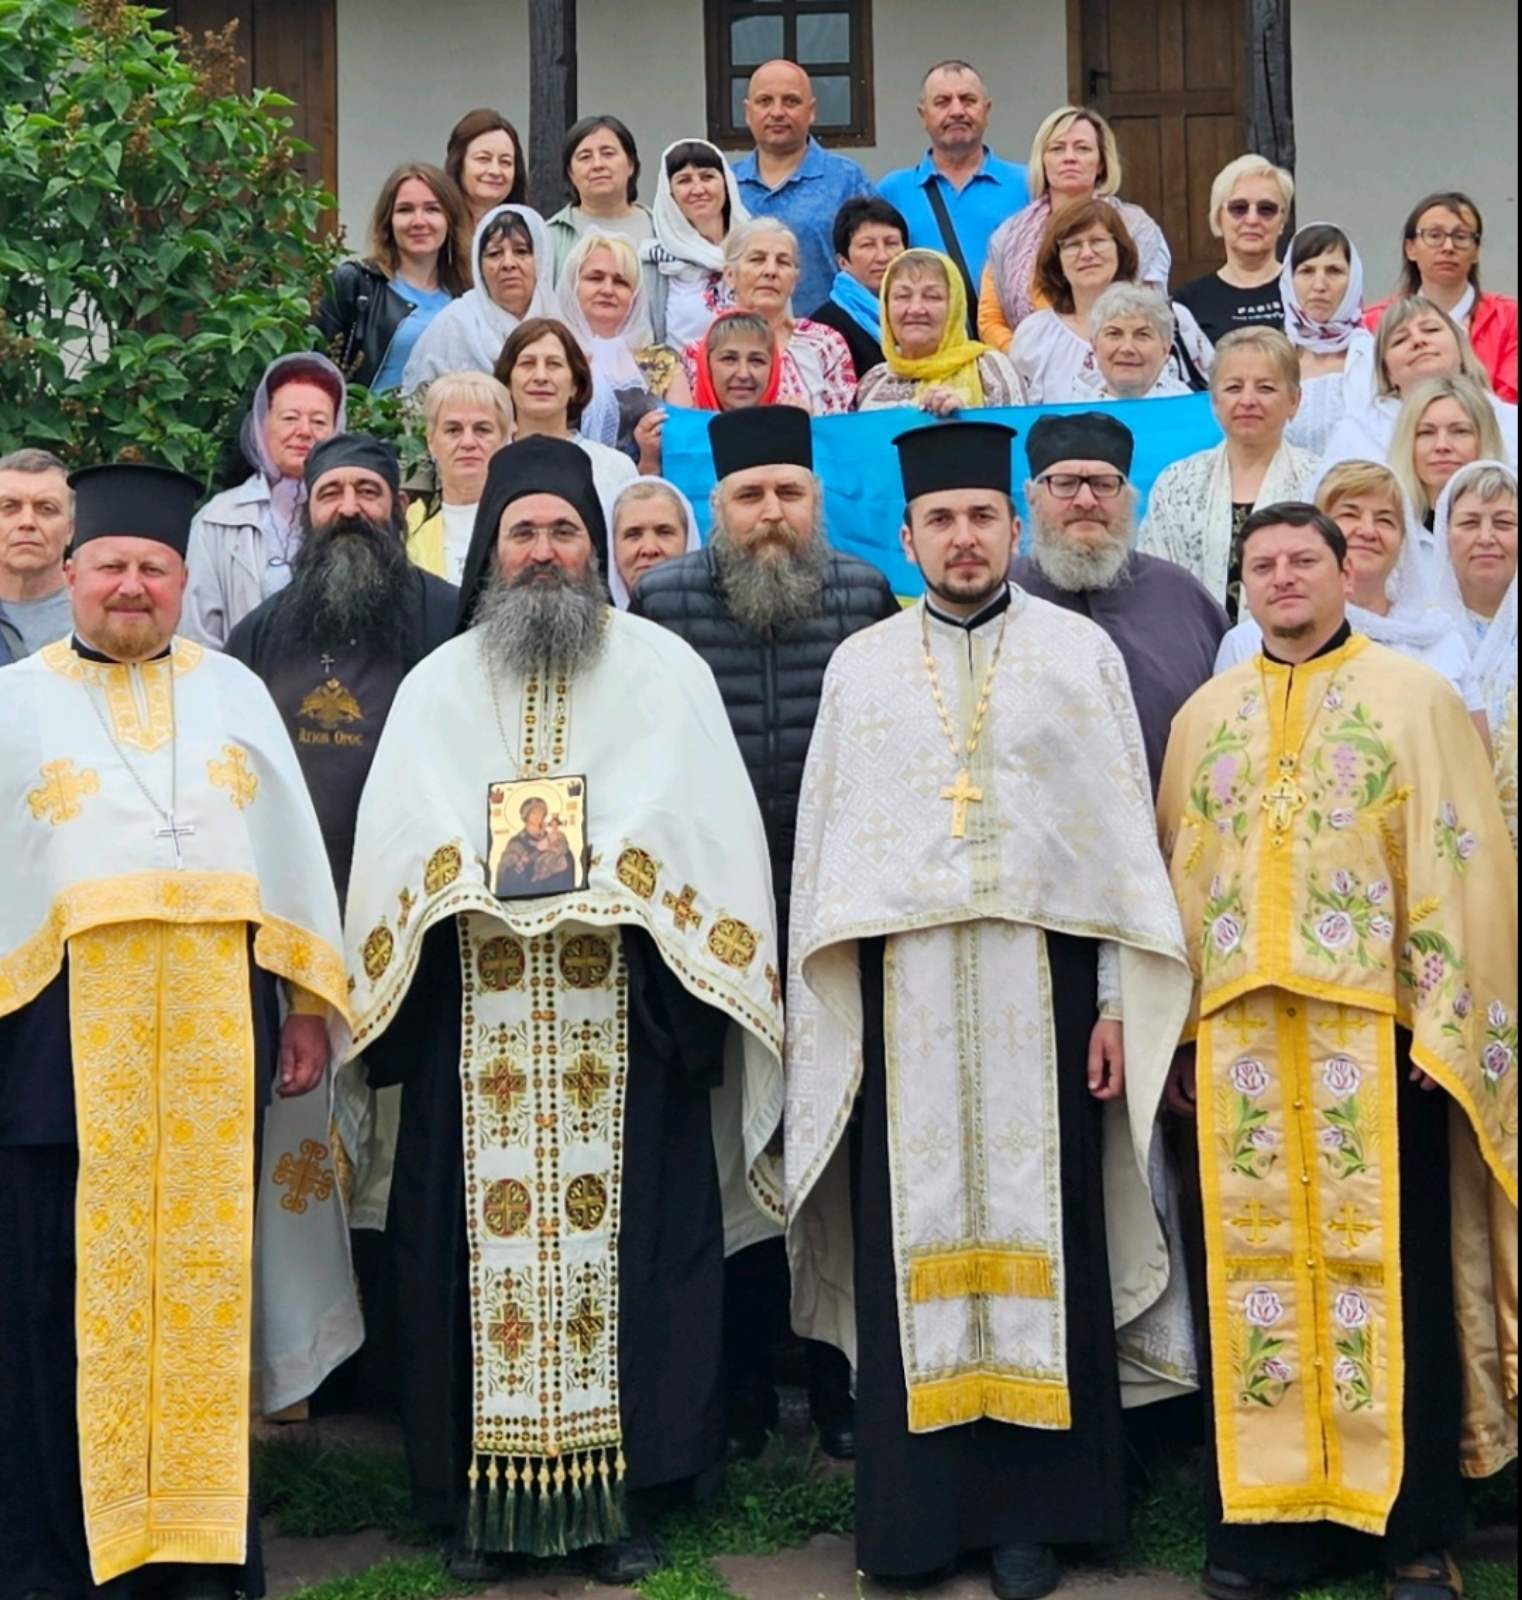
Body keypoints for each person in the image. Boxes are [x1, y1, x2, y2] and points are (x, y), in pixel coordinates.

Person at [338, 435, 784, 1584]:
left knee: (637, 1263)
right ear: (491, 551)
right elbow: (400, 842)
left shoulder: (664, 671)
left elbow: (702, 831)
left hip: (627, 1019)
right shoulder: (439, 685)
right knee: (459, 1263)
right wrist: (465, 881)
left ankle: (622, 1497)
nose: (544, 552)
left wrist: (610, 879)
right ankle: (479, 1503)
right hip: (471, 1025)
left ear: (596, 550)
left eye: (565, 532)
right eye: (524, 532)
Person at [786, 419, 1196, 1598]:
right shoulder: (862, 667)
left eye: (980, 518)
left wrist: (1115, 997)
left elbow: (1119, 850)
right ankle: (916, 1518)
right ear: (909, 537)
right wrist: (838, 1010)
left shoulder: (1077, 656)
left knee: (1049, 1227)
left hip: (1046, 991)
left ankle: (1036, 1517)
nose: (961, 538)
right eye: (940, 521)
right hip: (903, 998)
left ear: (1014, 528)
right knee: (908, 1234)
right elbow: (826, 856)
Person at [0, 462, 359, 1600]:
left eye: (153, 568)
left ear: (180, 581)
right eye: (110, 565)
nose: (131, 586)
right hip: (52, 1054)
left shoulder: (232, 694)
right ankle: (60, 1559)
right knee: (54, 1295)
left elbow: (289, 860)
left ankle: (201, 1558)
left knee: (206, 1294)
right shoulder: (15, 703)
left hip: (217, 1036)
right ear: (71, 575)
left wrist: (308, 1007)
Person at [1156, 500, 1517, 1600]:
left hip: (1378, 1039)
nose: (1282, 578)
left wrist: (1442, 1020)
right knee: (1253, 1283)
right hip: (1241, 1049)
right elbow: (1177, 880)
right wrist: (1180, 1030)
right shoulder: (1203, 717)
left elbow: (1466, 860)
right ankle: (1269, 1532)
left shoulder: (1415, 700)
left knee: (1391, 1280)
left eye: (1302, 559)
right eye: (1262, 564)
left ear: (1343, 569)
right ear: (1243, 585)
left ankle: (1410, 1533)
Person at [629, 409, 897, 1459]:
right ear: (718, 509)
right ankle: (735, 1386)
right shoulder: (663, 602)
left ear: (815, 504)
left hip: (835, 913)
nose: (771, 514)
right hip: (711, 924)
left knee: (837, 1147)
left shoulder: (863, 594)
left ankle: (838, 1379)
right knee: (723, 1153)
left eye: (789, 494)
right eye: (750, 496)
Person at [225, 432, 458, 900]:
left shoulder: (452, 619)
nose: (349, 509)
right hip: (297, 889)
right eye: (330, 493)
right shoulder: (256, 636)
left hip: (423, 884)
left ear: (400, 506)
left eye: (368, 491)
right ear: (306, 512)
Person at [1009, 412, 1227, 788]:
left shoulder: (1182, 596)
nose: (1086, 500)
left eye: (1104, 484)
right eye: (1064, 484)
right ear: (1032, 496)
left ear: (1129, 497)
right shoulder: (1001, 598)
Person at [1213, 460, 1472, 691]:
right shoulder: (1248, 642)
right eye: (1349, 514)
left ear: (1404, 540)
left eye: (1385, 520)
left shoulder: (1437, 636)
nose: (1368, 531)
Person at [1140, 327, 1316, 616]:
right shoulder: (1176, 483)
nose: (1248, 400)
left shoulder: (1318, 481)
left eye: (1265, 388)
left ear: (1294, 401)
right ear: (1214, 401)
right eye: (1234, 388)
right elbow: (1155, 580)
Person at [182, 351, 346, 647]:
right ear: (263, 425)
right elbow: (196, 634)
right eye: (290, 418)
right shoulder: (219, 517)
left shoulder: (351, 513)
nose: (304, 431)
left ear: (336, 431)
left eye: (319, 421)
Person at [980, 105, 1169, 348]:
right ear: (1042, 161)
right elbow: (991, 319)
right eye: (1057, 148)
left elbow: (1153, 310)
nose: (1069, 157)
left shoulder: (1137, 229)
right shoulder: (1009, 236)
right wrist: (1031, 358)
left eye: (1082, 148)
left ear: (1101, 163)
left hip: (1120, 361)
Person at [876, 61, 1030, 305]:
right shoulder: (892, 191)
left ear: (986, 110)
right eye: (942, 102)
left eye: (968, 100)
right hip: (922, 327)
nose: (957, 111)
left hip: (1009, 328)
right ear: (923, 115)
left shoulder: (1028, 185)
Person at [732, 59, 874, 317]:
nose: (777, 112)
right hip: (743, 335)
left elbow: (873, 267)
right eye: (765, 101)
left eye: (791, 101)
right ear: (747, 112)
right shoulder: (726, 184)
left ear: (812, 111)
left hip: (831, 334)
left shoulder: (847, 180)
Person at [316, 162, 472, 392]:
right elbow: (318, 372)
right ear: (388, 220)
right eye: (405, 210)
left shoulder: (470, 294)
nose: (419, 221)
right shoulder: (356, 285)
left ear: (450, 220)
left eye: (432, 209)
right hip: (369, 415)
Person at [682, 218, 857, 415]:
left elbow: (841, 426)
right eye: (757, 259)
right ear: (730, 275)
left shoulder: (825, 344)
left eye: (783, 262)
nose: (771, 271)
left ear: (794, 280)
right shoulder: (699, 353)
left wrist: (806, 423)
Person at [1321, 296, 1518, 469]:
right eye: (1400, 340)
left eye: (1431, 330)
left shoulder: (1510, 422)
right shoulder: (1355, 436)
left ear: (1461, 348)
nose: (1418, 341)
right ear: (1387, 372)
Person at [1363, 191, 1518, 403]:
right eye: (1434, 236)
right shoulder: (1372, 322)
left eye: (1461, 237)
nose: (1448, 247)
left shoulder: (1510, 318)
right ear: (1410, 248)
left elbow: (1511, 400)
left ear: (1476, 251)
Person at [556, 231, 692, 473]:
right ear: (573, 285)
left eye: (621, 282)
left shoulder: (663, 363)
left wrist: (649, 456)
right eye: (595, 278)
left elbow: (683, 448)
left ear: (636, 295)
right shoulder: (550, 358)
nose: (608, 289)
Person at [1434, 460, 1519, 847]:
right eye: (1469, 523)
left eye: (1504, 523)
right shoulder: (1422, 634)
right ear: (1444, 534)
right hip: (1449, 842)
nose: (1486, 537)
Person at [401, 204, 555, 395]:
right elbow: (419, 401)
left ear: (541, 259)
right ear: (478, 265)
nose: (508, 264)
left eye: (521, 251)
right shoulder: (454, 324)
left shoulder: (560, 319)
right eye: (495, 254)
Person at [855, 247, 1023, 412]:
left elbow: (1017, 429)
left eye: (932, 296)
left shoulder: (990, 369)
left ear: (955, 308)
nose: (915, 309)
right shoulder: (873, 381)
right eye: (903, 296)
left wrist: (963, 417)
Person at [494, 317, 638, 507]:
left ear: (575, 385)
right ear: (507, 383)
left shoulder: (616, 469)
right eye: (527, 363)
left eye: (554, 364)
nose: (540, 377)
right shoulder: (488, 464)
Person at [406, 371, 515, 584]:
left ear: (505, 439)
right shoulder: (406, 527)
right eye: (453, 430)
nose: (468, 442)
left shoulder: (529, 521)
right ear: (431, 441)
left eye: (482, 429)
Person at [1279, 223, 1376, 455]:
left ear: (1353, 279)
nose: (1319, 285)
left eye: (1334, 271)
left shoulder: (1375, 359)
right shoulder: (1274, 360)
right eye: (1306, 271)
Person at [1175, 155, 1293, 344]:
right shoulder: (1188, 302)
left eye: (1266, 209)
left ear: (1282, 222)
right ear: (1218, 217)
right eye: (1239, 208)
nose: (1252, 220)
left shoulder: (1305, 290)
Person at [644, 137, 750, 347]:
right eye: (684, 180)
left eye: (707, 177)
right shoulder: (657, 264)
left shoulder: (755, 251)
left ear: (726, 183)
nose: (698, 189)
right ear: (669, 193)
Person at [1387, 374, 1503, 534]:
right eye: (1426, 432)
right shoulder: (1385, 531)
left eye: (1460, 431)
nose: (1441, 445)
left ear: (1486, 439)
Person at [808, 195, 909, 376]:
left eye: (891, 243)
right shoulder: (824, 328)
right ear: (843, 261)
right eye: (867, 245)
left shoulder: (921, 313)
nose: (882, 256)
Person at [545, 115, 655, 280]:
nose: (598, 165)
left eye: (608, 154)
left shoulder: (662, 231)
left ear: (631, 165)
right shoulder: (549, 237)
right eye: (585, 157)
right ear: (570, 173)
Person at [0, 447, 74, 664]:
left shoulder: (98, 619)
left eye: (46, 508)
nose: (27, 522)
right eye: (9, 507)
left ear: (71, 529)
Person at [608, 475, 701, 609]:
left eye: (664, 532)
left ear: (689, 541)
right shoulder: (591, 621)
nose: (649, 549)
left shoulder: (724, 617)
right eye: (633, 535)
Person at [1088, 284, 1193, 399]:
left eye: (1142, 335)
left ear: (1166, 348)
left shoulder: (1193, 407)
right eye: (1114, 334)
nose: (1127, 348)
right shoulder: (1079, 406)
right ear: (1094, 346)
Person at [687, 309, 787, 412]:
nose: (743, 374)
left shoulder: (790, 421)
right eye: (729, 359)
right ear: (707, 366)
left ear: (772, 370)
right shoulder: (681, 422)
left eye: (756, 360)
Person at [444, 108, 528, 229]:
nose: (495, 171)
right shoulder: (438, 229)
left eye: (505, 162)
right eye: (483, 159)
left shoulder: (528, 231)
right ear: (458, 163)